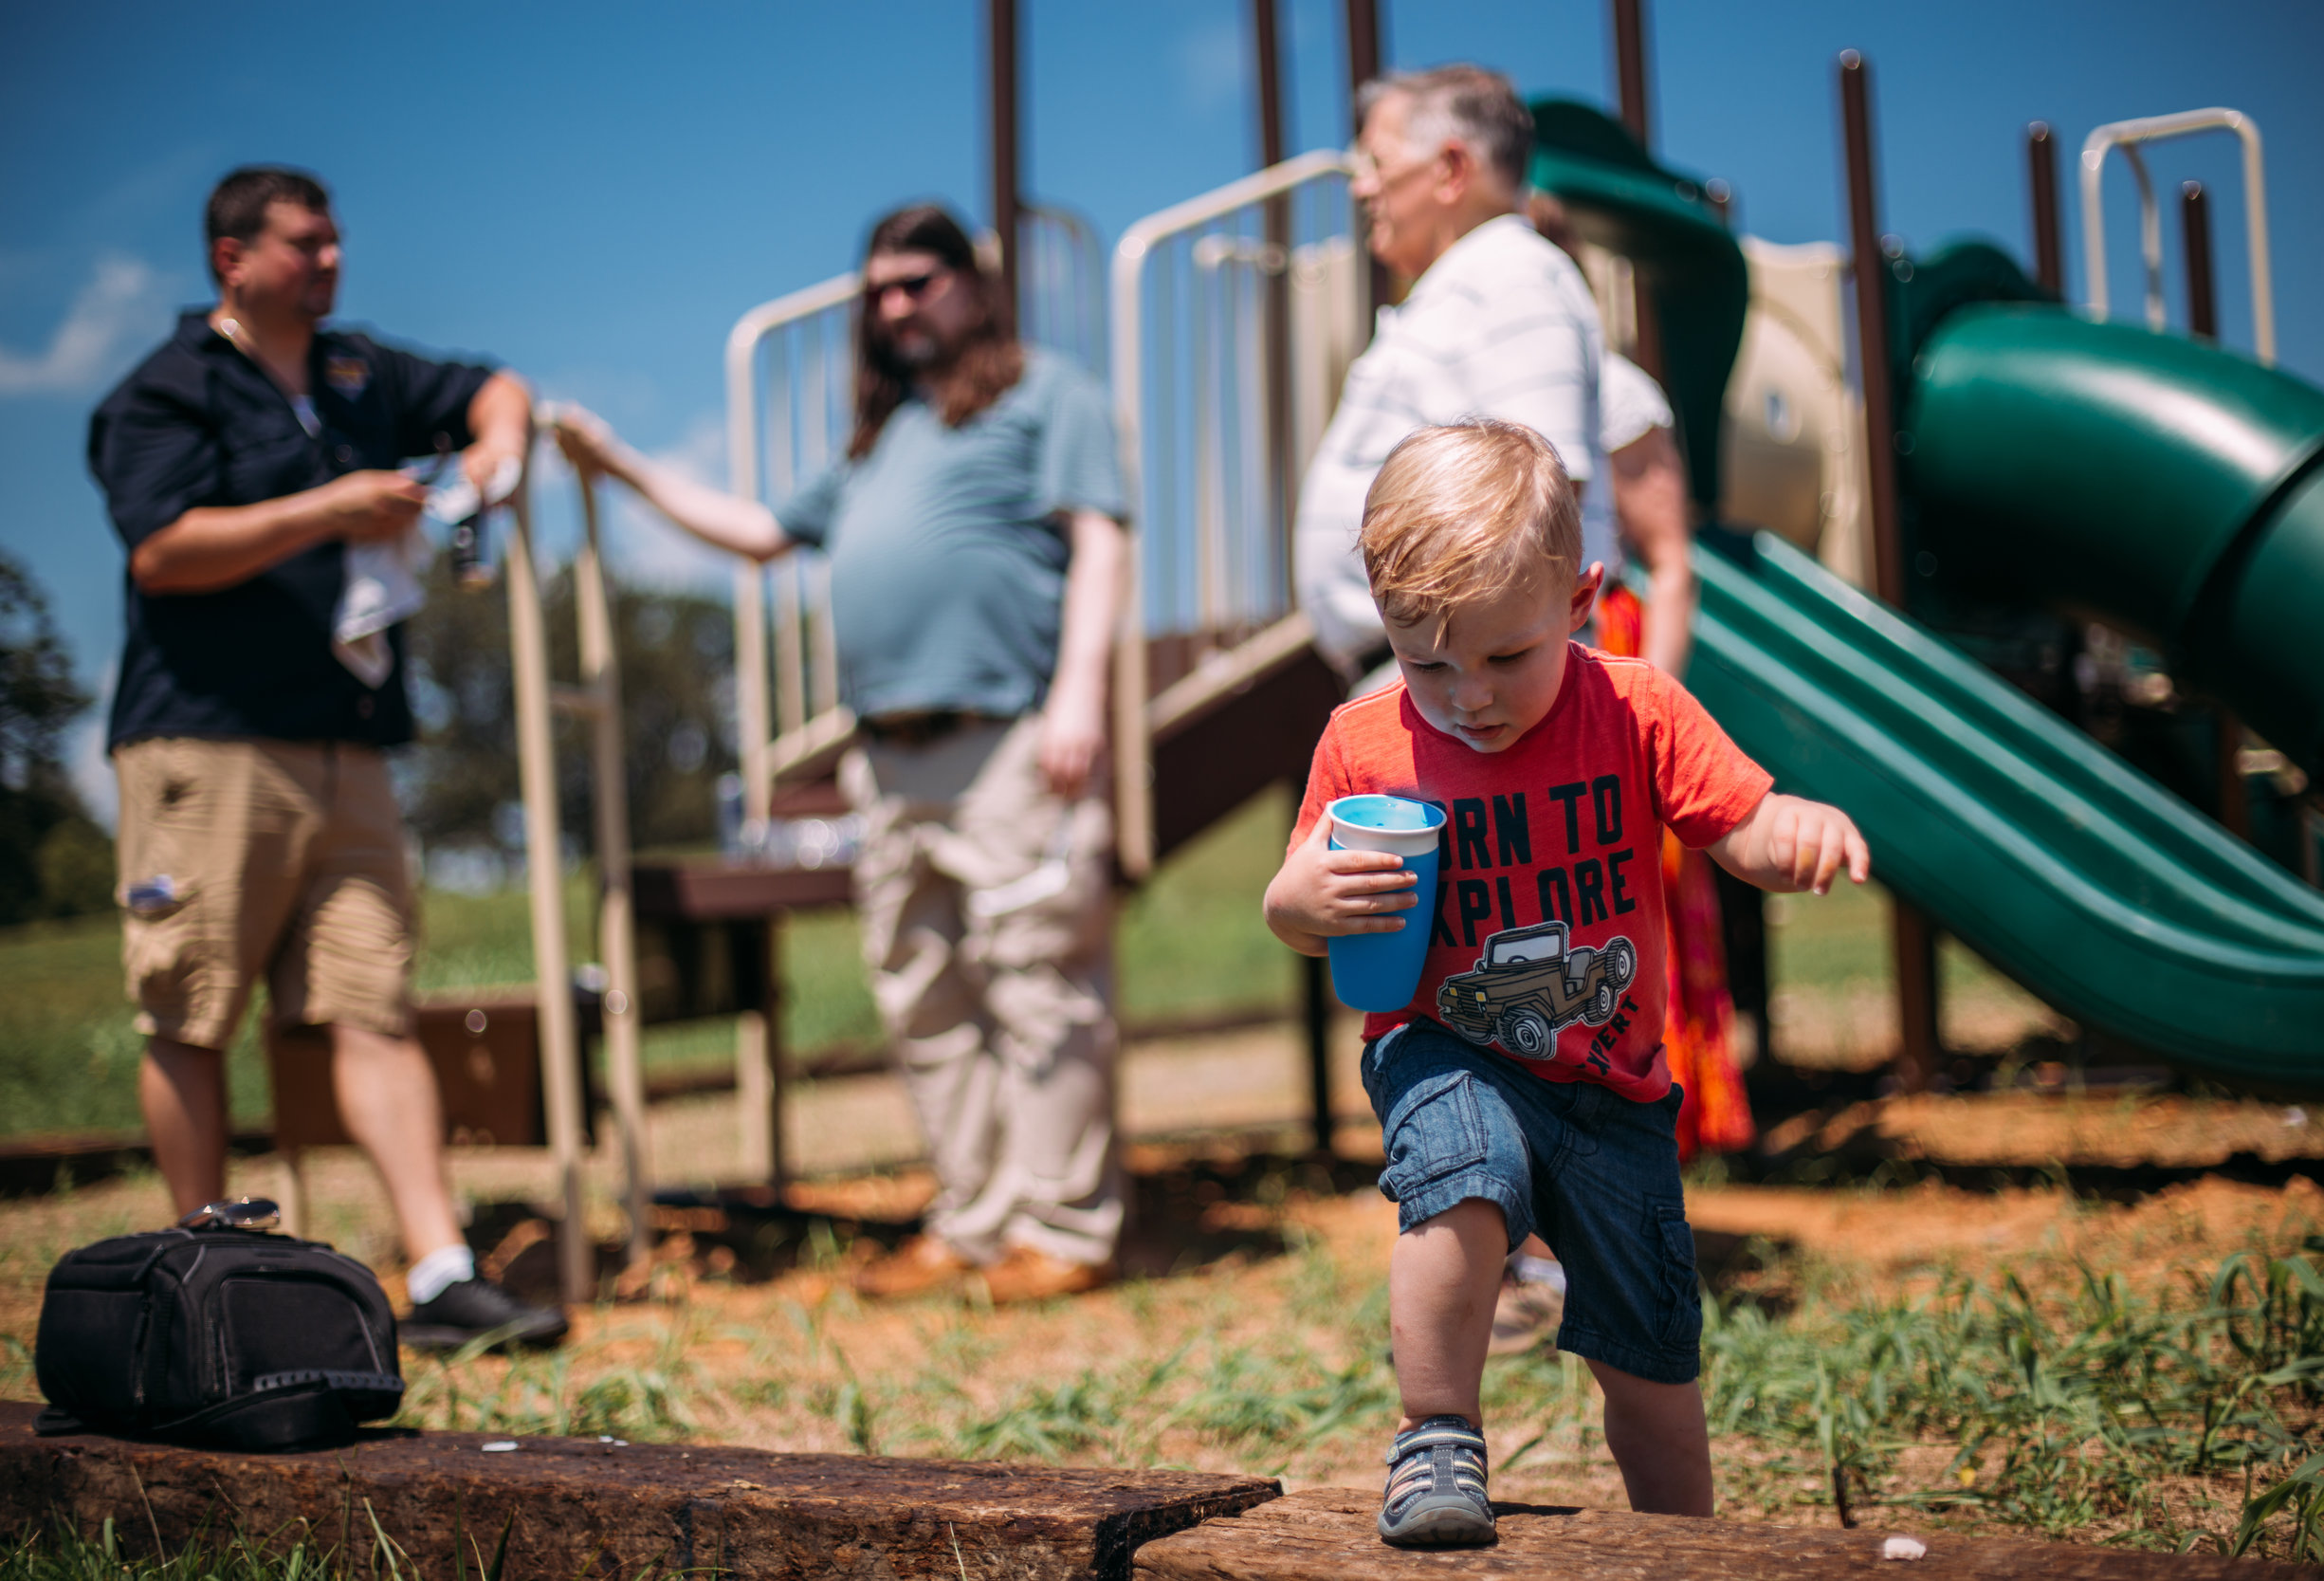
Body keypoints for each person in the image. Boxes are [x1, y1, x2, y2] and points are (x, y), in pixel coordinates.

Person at [1263, 420, 1867, 1545]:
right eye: (1426, 660)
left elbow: (1737, 820)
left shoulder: (1634, 708)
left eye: (1504, 656)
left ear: (1581, 597)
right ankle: (1436, 1432)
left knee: (1648, 1352)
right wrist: (1304, 903)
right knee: (1465, 1170)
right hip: (1445, 1036)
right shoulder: (1362, 740)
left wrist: (1793, 831)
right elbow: (1292, 897)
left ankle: (1682, 1536)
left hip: (1613, 1080)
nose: (1467, 696)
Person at [551, 204, 1129, 1305]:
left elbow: (1099, 541)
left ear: (975, 284)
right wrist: (619, 465)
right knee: (923, 996)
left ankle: (1064, 1229)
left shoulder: (1047, 394)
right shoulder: (882, 436)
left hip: (1011, 737)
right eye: (879, 290)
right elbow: (761, 532)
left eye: (919, 281)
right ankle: (972, 1223)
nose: (895, 305)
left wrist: (1078, 695)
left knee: (1041, 986)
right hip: (887, 759)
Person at [88, 166, 565, 1348]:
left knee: (373, 1005)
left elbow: (496, 388)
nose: (333, 261)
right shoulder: (163, 390)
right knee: (192, 1008)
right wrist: (328, 510)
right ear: (231, 260)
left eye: (338, 240)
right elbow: (163, 551)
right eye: (306, 244)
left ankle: (442, 1272)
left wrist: (489, 467)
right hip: (208, 738)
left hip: (350, 746)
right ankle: (202, 1271)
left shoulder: (359, 370)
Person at [1489, 350, 1754, 1356]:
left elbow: (1670, 556)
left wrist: (1650, 712)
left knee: (1632, 948)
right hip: (1523, 667)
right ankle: (1548, 1240)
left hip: (1603, 668)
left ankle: (1623, 1218)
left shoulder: (1616, 390)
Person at [1296, 64, 1611, 684]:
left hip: (1472, 682)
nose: (1362, 189)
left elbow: (1541, 501)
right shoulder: (1479, 282)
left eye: (1376, 164)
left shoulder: (1510, 277)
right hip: (1450, 670)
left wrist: (1484, 678)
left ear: (1449, 169)